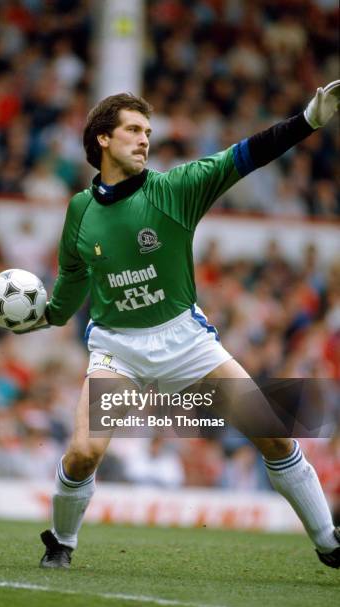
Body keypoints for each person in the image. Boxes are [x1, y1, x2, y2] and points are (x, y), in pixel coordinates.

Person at [21, 83, 340, 570]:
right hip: (116, 350)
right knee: (84, 453)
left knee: (274, 434)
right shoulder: (78, 211)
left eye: (147, 131)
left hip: (186, 342)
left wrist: (307, 120)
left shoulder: (176, 189)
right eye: (132, 130)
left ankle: (329, 543)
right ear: (102, 140)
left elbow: (246, 155)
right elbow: (72, 276)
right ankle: (61, 543)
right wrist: (47, 316)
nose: (144, 139)